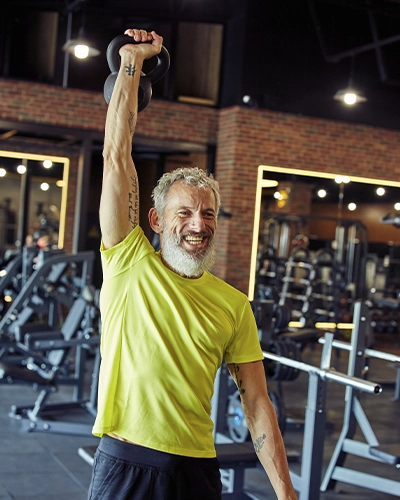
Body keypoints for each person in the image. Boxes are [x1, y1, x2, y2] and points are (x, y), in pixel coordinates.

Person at [88, 28, 297, 500]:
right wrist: (131, 61)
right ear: (156, 221)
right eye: (183, 213)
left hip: (197, 471)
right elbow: (116, 156)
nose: (197, 224)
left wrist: (286, 492)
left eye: (208, 213)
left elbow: (257, 403)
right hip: (127, 464)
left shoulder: (233, 305)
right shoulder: (128, 261)